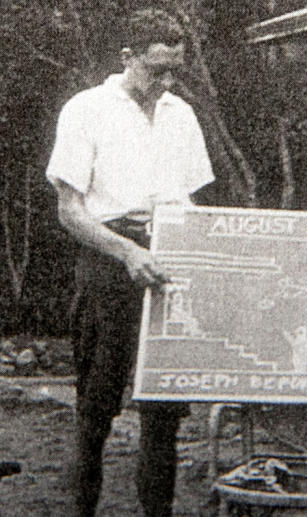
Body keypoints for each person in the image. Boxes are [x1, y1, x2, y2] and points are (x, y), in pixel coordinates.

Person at [45, 9, 214, 516]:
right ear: (127, 58)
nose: (165, 82)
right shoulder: (86, 109)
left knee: (164, 411)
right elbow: (70, 210)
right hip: (108, 261)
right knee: (95, 411)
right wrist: (126, 252)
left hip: (165, 261)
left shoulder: (179, 114)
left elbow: (192, 202)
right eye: (155, 69)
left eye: (174, 72)